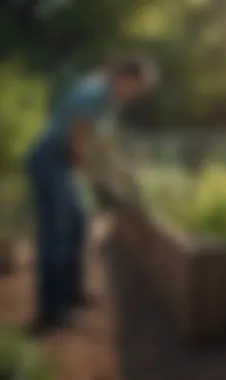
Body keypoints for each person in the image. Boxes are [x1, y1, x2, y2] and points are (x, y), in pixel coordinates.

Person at [26, 53, 159, 335]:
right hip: (50, 158)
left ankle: (73, 293)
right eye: (137, 87)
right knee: (57, 232)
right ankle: (51, 313)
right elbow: (79, 144)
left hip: (65, 160)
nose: (136, 94)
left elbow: (104, 143)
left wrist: (122, 172)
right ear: (125, 78)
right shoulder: (94, 93)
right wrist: (100, 178)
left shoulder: (111, 100)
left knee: (79, 223)